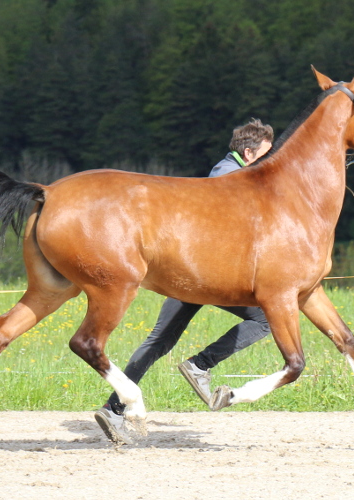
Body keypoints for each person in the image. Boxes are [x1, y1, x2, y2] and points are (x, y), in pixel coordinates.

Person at [95, 119, 275, 444]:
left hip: (193, 274)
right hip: (204, 275)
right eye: (265, 155)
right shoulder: (225, 174)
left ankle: (113, 408)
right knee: (264, 318)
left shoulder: (231, 170)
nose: (268, 161)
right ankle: (199, 366)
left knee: (157, 343)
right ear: (249, 153)